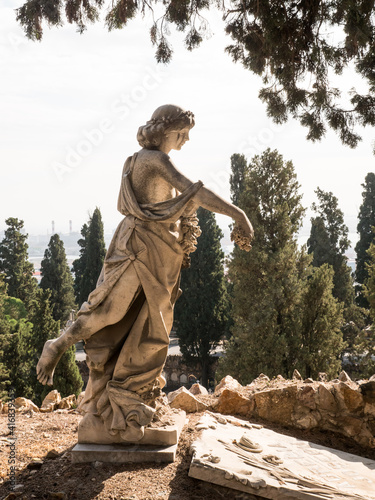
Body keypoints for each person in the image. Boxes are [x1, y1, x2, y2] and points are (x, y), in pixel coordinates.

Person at [37, 104, 253, 441]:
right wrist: (237, 213)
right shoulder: (154, 159)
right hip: (140, 246)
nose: (186, 138)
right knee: (112, 310)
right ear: (165, 130)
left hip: (152, 247)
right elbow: (194, 191)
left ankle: (128, 393)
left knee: (137, 317)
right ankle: (59, 344)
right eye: (182, 132)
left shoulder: (146, 159)